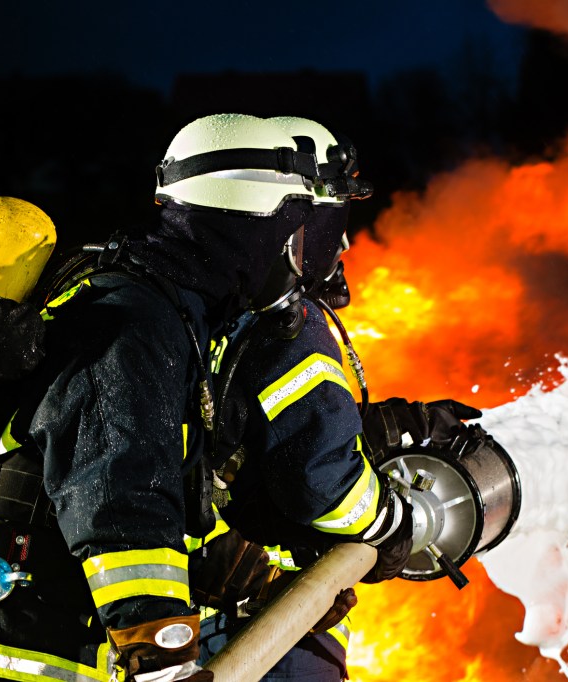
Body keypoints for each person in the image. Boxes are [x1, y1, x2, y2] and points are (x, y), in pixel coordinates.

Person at [0, 113, 332, 682]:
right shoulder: (132, 321)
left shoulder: (182, 316)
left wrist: (241, 567)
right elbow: (118, 491)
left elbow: (161, 473)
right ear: (260, 221)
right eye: (311, 230)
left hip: (45, 637)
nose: (320, 258)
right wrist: (160, 649)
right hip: (18, 652)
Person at [191, 117, 481, 681]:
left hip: (216, 615)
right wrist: (397, 523)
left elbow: (254, 434)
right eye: (326, 222)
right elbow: (319, 481)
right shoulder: (282, 325)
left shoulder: (191, 316)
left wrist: (396, 423)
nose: (342, 242)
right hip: (257, 625)